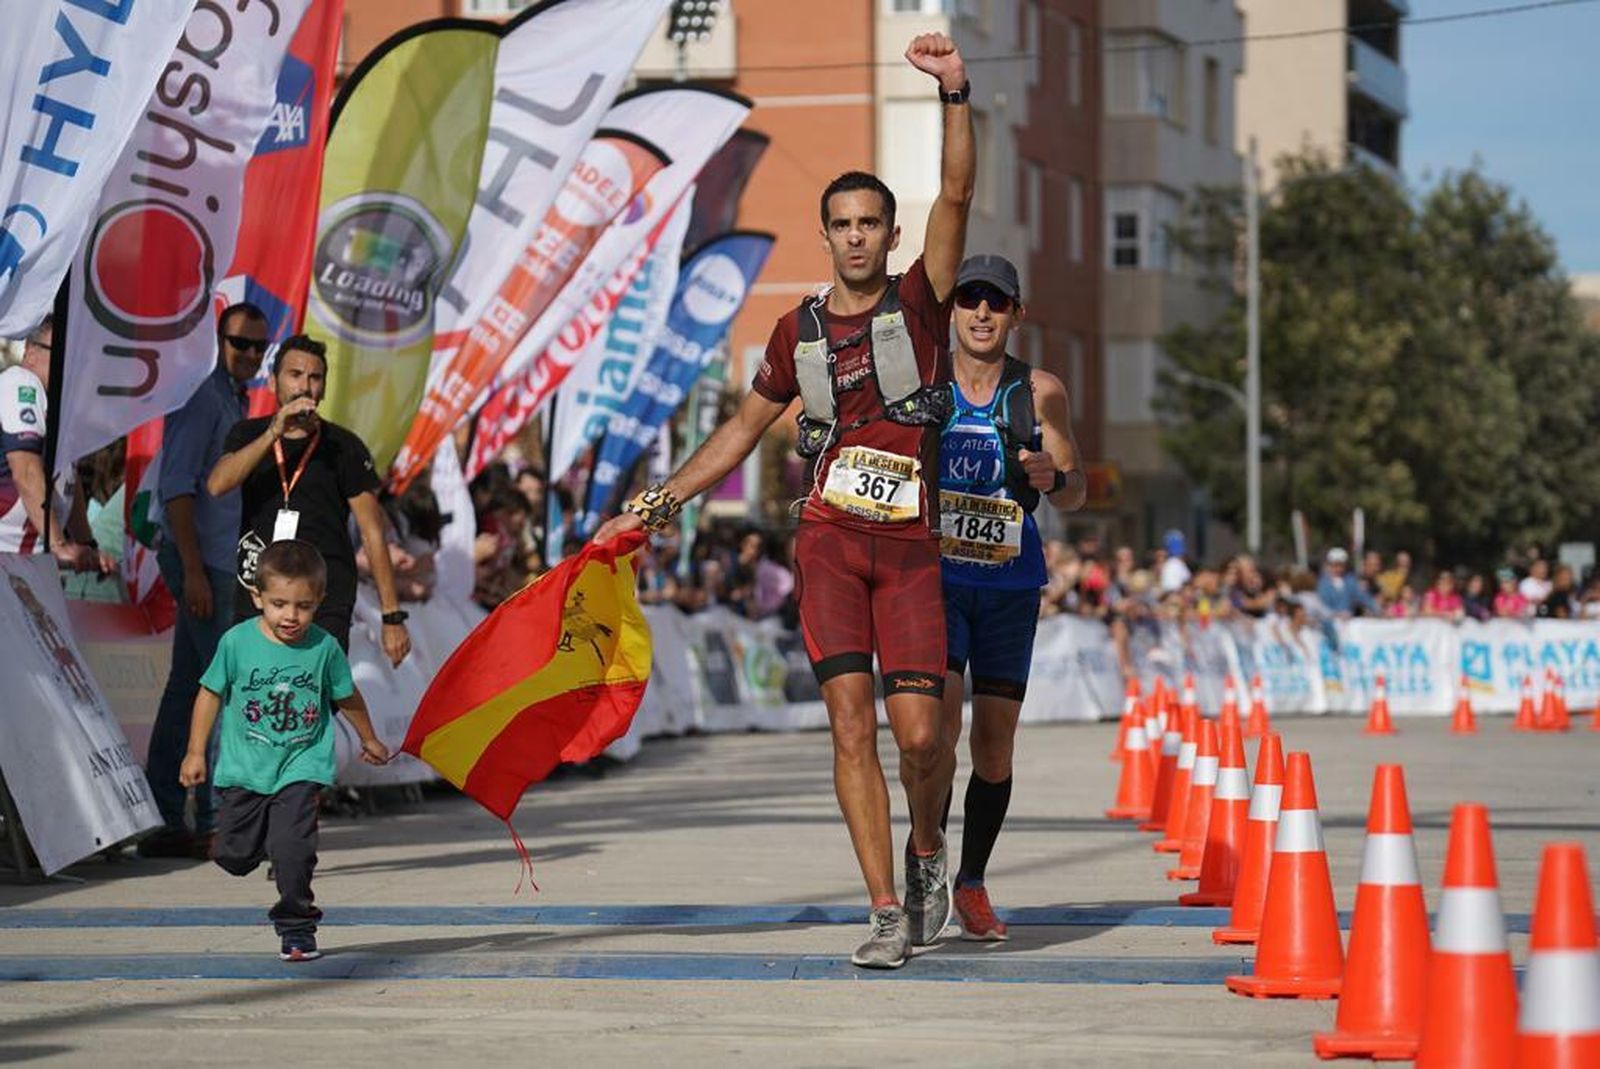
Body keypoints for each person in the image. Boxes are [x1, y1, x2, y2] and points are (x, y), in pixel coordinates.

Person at [594, 32, 974, 969]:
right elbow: (737, 431)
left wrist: (955, 93)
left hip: (912, 550)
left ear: (891, 235)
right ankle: (883, 910)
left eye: (870, 223)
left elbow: (957, 193)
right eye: (842, 223)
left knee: (923, 736)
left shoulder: (921, 302)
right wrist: (652, 508)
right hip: (830, 545)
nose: (856, 236)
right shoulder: (793, 332)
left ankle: (928, 847)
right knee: (850, 725)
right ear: (827, 234)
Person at [930, 254, 1084, 940]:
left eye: (996, 301)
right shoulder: (926, 384)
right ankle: (925, 864)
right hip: (936, 584)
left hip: (1009, 589)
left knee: (993, 748)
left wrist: (1055, 477)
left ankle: (971, 882)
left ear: (1017, 313)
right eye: (970, 299)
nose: (982, 312)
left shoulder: (1040, 390)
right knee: (934, 734)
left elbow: (1077, 490)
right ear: (953, 310)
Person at [178, 540, 389, 962]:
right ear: (257, 597)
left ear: (319, 601)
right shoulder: (236, 642)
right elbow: (209, 694)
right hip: (245, 769)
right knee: (232, 856)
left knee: (293, 850)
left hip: (301, 764)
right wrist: (195, 751)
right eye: (279, 604)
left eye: (303, 606)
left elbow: (346, 695)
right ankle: (260, 842)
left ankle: (297, 928)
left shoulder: (324, 648)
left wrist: (368, 737)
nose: (290, 616)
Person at [140, 303, 270, 859]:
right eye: (240, 343)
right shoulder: (201, 396)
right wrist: (192, 570)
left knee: (188, 687)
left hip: (218, 563)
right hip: (202, 563)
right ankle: (214, 818)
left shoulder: (233, 399)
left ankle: (166, 816)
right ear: (219, 341)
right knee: (222, 686)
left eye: (259, 347)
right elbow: (177, 489)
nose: (250, 355)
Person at [205, 335, 411, 663]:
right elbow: (217, 484)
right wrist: (273, 432)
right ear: (273, 382)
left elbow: (372, 531)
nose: (305, 386)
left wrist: (392, 616)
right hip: (261, 595)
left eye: (315, 377)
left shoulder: (344, 446)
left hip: (323, 600)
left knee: (313, 691)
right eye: (295, 374)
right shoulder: (249, 434)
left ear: (324, 388)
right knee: (254, 688)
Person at [0, 316, 106, 570]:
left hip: (30, 558)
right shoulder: (21, 383)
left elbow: (68, 481)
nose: (69, 365)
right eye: (60, 354)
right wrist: (58, 544)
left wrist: (87, 545)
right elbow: (26, 470)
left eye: (76, 358)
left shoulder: (60, 407)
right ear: (30, 352)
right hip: (8, 555)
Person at [1316, 547, 1374, 617]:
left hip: (1350, 620)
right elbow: (1321, 605)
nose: (1338, 569)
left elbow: (1363, 597)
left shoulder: (1350, 580)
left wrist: (1376, 609)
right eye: (1335, 565)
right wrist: (1336, 614)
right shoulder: (1323, 583)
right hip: (1329, 620)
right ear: (1329, 565)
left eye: (1341, 565)